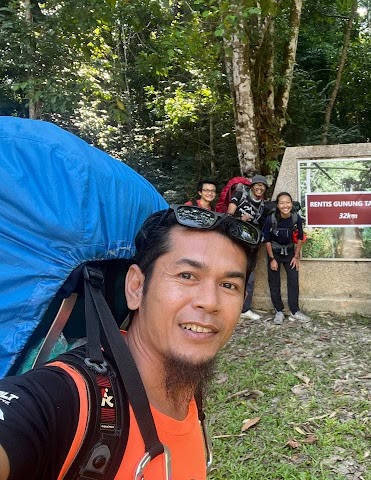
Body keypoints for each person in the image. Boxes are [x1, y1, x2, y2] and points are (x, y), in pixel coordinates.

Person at [0, 205, 260, 479]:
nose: (210, 302)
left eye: (228, 285)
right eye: (187, 276)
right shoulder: (64, 397)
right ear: (136, 287)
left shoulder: (188, 387)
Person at [262, 192, 310, 325]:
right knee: (274, 282)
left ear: (291, 203)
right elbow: (267, 240)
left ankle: (295, 311)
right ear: (277, 205)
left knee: (293, 280)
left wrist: (296, 256)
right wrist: (272, 259)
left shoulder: (296, 218)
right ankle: (279, 311)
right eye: (282, 203)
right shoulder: (271, 219)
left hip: (290, 253)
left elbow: (300, 237)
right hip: (275, 253)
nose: (285, 205)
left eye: (287, 202)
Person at [227, 174, 269, 321]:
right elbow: (229, 215)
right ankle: (227, 308)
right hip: (234, 240)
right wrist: (241, 219)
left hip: (251, 244)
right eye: (257, 185)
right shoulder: (240, 193)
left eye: (263, 186)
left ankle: (245, 309)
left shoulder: (263, 206)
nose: (260, 188)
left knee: (249, 277)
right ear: (252, 186)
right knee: (230, 274)